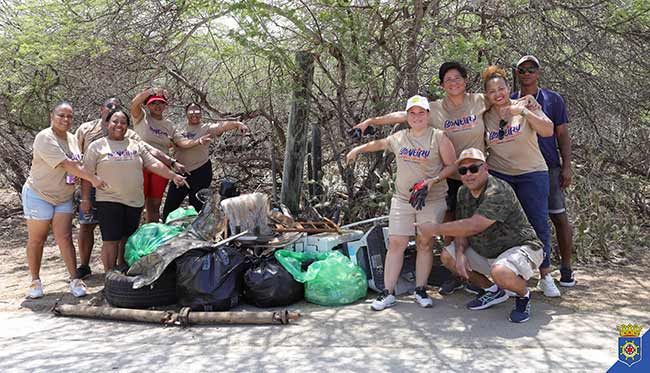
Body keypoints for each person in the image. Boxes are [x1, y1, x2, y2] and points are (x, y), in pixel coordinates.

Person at [353, 62, 537, 295]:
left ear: (465, 80)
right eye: (448, 80)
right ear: (442, 85)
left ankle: (508, 273)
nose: (454, 83)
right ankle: (459, 274)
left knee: (481, 222)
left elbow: (502, 99)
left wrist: (526, 102)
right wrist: (372, 121)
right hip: (451, 175)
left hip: (476, 172)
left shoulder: (478, 100)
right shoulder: (436, 108)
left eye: (457, 78)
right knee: (451, 224)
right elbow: (404, 115)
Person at [346, 95, 457, 311]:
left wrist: (431, 181)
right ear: (407, 116)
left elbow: (452, 166)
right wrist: (357, 150)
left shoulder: (438, 137)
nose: (417, 117)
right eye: (412, 113)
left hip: (431, 199)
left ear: (428, 114)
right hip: (403, 199)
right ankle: (387, 292)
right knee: (397, 242)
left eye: (421, 112)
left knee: (425, 243)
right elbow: (379, 144)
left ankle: (420, 289)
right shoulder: (400, 137)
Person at [418, 148, 544, 323]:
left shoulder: (497, 190)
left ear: (485, 168)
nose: (468, 174)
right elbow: (462, 226)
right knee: (449, 257)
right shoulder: (463, 192)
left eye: (474, 168)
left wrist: (434, 229)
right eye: (463, 171)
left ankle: (523, 296)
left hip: (521, 247)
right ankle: (493, 291)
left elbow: (473, 225)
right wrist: (460, 253)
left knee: (500, 272)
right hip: (488, 252)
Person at [74, 98, 186, 277]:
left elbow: (153, 164)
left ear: (127, 126)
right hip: (109, 200)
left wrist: (173, 175)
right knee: (110, 240)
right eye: (115, 121)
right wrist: (85, 199)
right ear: (108, 123)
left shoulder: (135, 144)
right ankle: (110, 277)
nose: (119, 125)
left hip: (134, 200)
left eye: (123, 122)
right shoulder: (96, 146)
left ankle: (124, 271)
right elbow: (86, 176)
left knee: (127, 239)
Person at [481, 65, 561, 297]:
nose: (498, 94)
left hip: (532, 173)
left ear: (509, 88)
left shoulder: (526, 104)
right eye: (492, 90)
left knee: (538, 223)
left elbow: (548, 130)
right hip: (501, 176)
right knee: (505, 227)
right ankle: (508, 277)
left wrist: (524, 112)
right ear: (487, 95)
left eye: (502, 88)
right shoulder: (486, 117)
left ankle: (545, 275)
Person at [22, 101, 107, 299]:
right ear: (52, 116)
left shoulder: (71, 138)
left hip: (63, 196)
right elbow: (66, 164)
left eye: (69, 116)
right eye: (61, 115)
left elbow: (76, 163)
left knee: (65, 237)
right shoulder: (44, 137)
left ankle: (74, 279)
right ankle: (35, 280)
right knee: (38, 239)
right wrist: (92, 179)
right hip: (39, 194)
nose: (66, 120)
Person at [512, 55, 575, 288]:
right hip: (522, 170)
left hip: (549, 167)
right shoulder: (511, 101)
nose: (527, 73)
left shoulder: (552, 99)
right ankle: (526, 271)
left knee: (558, 216)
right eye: (522, 69)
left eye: (531, 69)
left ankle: (566, 268)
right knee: (525, 222)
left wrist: (566, 166)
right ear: (517, 73)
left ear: (539, 72)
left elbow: (562, 134)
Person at [161, 103, 250, 222]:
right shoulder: (178, 129)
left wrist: (238, 124)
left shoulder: (206, 128)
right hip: (180, 173)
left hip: (200, 171)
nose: (194, 115)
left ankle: (196, 235)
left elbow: (222, 126)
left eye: (197, 112)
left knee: (197, 207)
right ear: (186, 113)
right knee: (169, 209)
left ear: (201, 113)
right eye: (191, 112)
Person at [130, 87, 178, 223]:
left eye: (160, 103)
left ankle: (151, 236)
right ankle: (134, 237)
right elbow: (134, 103)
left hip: (161, 167)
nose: (157, 106)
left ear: (165, 105)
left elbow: (178, 142)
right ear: (148, 105)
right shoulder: (141, 117)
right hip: (141, 165)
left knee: (155, 205)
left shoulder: (169, 125)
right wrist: (151, 91)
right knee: (137, 204)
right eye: (153, 103)